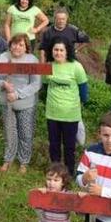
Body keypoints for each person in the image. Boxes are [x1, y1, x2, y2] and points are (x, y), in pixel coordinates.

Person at [0, 33, 41, 173]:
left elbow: (36, 84)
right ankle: (8, 159)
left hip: (26, 104)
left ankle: (24, 161)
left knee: (25, 133)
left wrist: (17, 94)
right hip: (7, 104)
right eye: (14, 44)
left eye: (21, 45)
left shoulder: (32, 60)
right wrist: (3, 84)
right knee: (9, 132)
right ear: (10, 45)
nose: (17, 47)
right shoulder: (3, 58)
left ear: (26, 47)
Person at [45, 39, 89, 169]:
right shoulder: (48, 65)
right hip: (52, 113)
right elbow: (44, 86)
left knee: (69, 146)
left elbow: (83, 88)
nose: (58, 53)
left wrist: (82, 103)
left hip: (70, 114)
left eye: (61, 50)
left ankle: (69, 172)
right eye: (55, 50)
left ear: (67, 51)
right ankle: (55, 171)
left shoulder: (76, 66)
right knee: (54, 145)